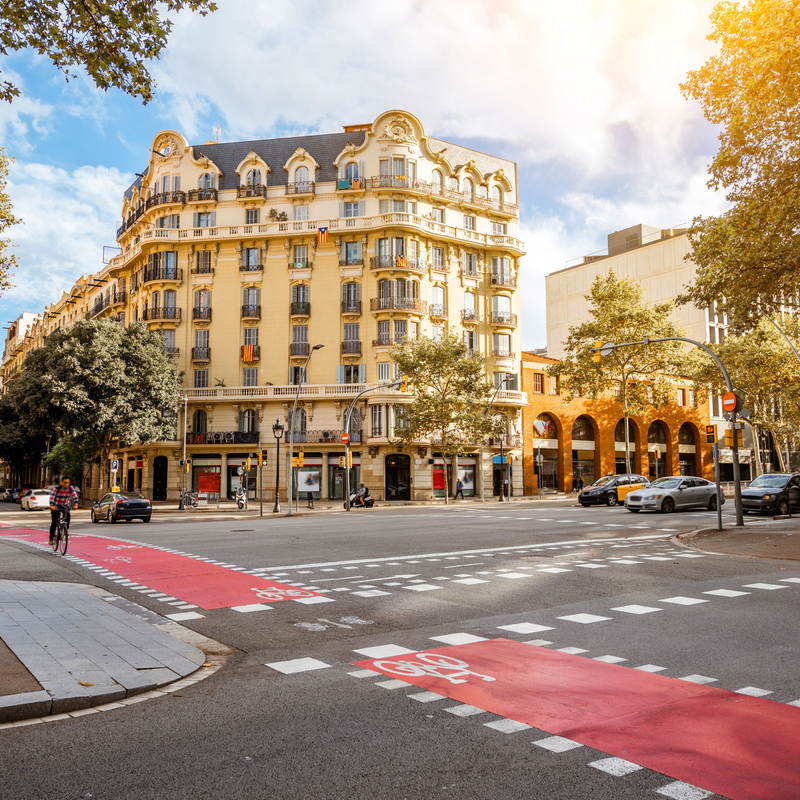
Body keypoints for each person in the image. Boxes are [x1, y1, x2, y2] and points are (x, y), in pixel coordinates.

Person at [49, 476, 79, 546]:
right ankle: (51, 538)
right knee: (54, 522)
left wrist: (76, 505)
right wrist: (51, 505)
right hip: (56, 506)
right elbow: (52, 496)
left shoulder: (70, 488)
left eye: (67, 483)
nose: (66, 484)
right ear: (61, 482)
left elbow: (75, 496)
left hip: (65, 505)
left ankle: (66, 529)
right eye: (65, 482)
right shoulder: (57, 488)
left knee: (68, 515)